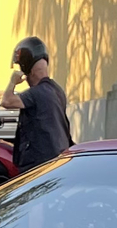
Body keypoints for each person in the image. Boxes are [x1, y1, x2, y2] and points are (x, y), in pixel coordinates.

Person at [4, 36, 73, 171]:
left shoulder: (35, 93)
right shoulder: (57, 90)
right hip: (58, 159)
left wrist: (12, 82)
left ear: (26, 66)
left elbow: (6, 101)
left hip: (37, 164)